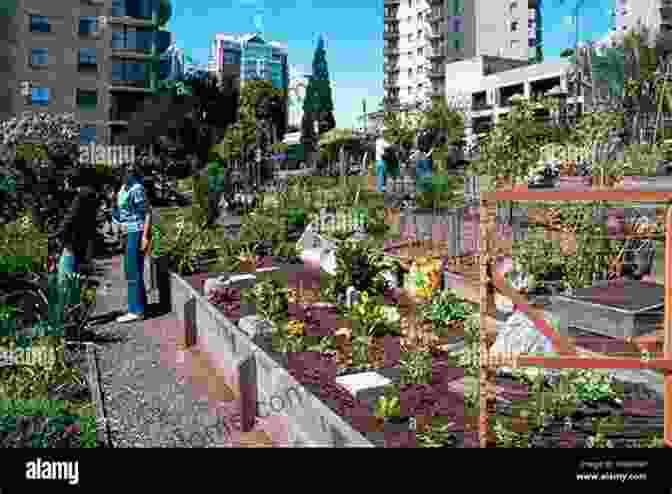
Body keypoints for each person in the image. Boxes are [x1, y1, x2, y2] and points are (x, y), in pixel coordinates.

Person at [112, 162, 152, 323]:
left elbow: (147, 212)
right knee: (132, 270)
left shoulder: (137, 189)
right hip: (128, 232)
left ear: (128, 172)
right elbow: (121, 211)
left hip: (136, 231)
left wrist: (145, 236)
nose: (119, 177)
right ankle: (141, 306)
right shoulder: (123, 188)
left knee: (132, 270)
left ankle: (136, 310)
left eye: (121, 173)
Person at [57, 166, 104, 283]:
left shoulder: (81, 197)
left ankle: (68, 300)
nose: (64, 183)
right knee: (75, 275)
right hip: (84, 241)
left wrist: (56, 233)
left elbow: (71, 218)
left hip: (73, 242)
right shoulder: (91, 195)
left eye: (65, 180)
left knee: (64, 278)